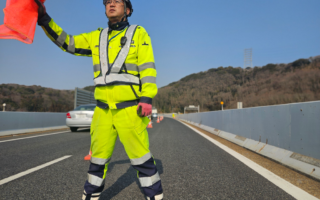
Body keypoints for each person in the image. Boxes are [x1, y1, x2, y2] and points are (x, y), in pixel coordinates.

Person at [34, 0, 163, 199]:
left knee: (141, 160)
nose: (111, 4)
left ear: (127, 10)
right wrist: (45, 20)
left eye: (117, 2)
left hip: (130, 110)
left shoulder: (139, 33)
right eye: (108, 2)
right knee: (97, 162)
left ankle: (154, 196)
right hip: (102, 112)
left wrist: (146, 97)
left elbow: (147, 67)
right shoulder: (97, 37)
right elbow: (68, 43)